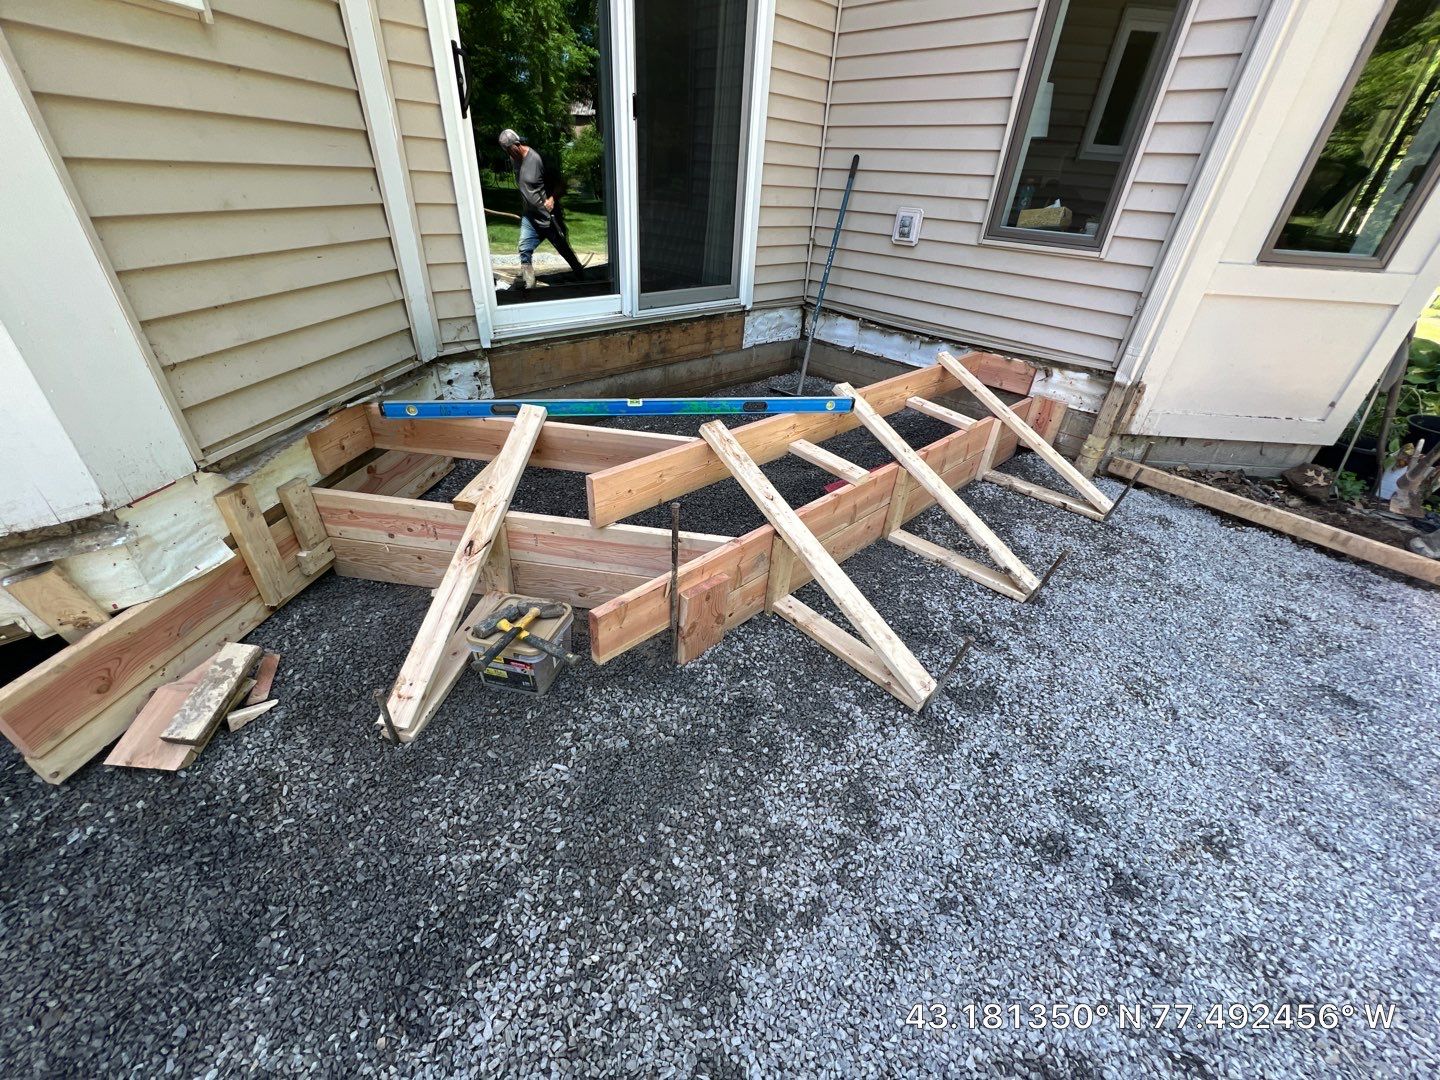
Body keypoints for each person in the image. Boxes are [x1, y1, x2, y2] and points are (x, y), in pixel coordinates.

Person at [497, 128, 585, 290]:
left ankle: (581, 275)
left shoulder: (537, 159)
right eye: (506, 151)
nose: (509, 154)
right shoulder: (514, 160)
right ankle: (529, 285)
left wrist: (552, 199)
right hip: (530, 217)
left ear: (517, 144)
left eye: (510, 149)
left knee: (562, 247)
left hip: (548, 217)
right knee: (524, 249)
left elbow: (561, 184)